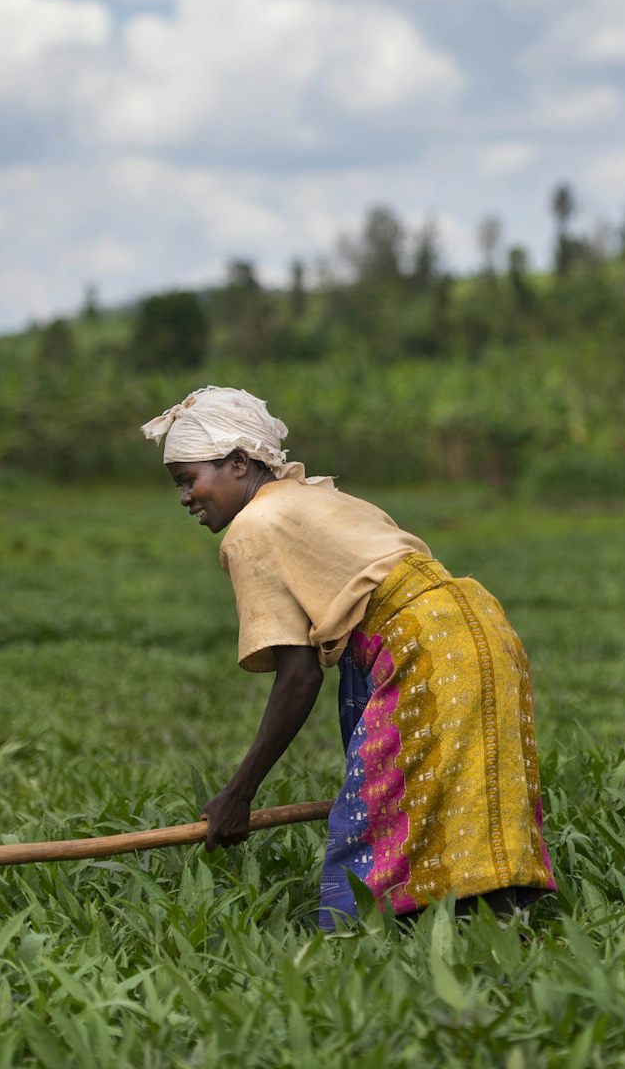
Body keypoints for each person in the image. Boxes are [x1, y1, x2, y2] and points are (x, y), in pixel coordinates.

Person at [142, 386, 555, 930]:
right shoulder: (321, 497)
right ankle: (496, 927)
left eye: (189, 479)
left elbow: (298, 676)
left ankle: (364, 940)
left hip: (420, 643)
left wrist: (238, 794)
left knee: (384, 812)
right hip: (479, 626)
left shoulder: (251, 529)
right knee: (469, 787)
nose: (185, 498)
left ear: (239, 463)